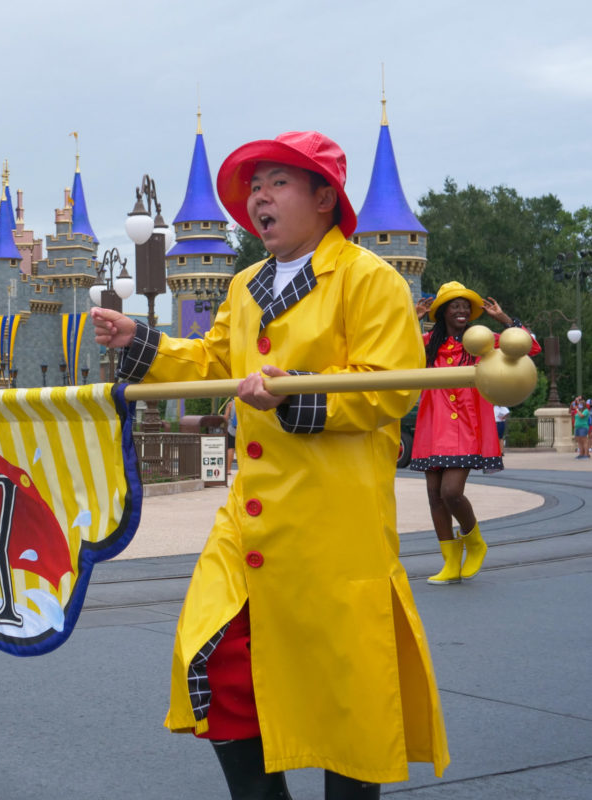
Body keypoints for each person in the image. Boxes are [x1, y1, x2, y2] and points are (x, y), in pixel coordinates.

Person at [92, 131, 448, 797]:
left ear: (323, 197)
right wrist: (143, 340)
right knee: (215, 656)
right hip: (251, 519)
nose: (260, 197)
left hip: (333, 522)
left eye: (277, 183)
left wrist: (294, 392)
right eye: (254, 186)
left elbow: (388, 387)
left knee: (346, 692)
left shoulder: (370, 279)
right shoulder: (246, 284)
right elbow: (213, 360)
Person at [408, 283, 539, 584]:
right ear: (443, 312)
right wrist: (412, 319)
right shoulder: (428, 343)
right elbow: (395, 350)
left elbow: (530, 347)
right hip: (434, 424)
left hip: (467, 425)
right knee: (434, 496)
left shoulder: (484, 341)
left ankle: (475, 541)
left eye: (466, 306)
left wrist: (504, 319)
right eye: (455, 306)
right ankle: (451, 562)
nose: (462, 311)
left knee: (451, 492)